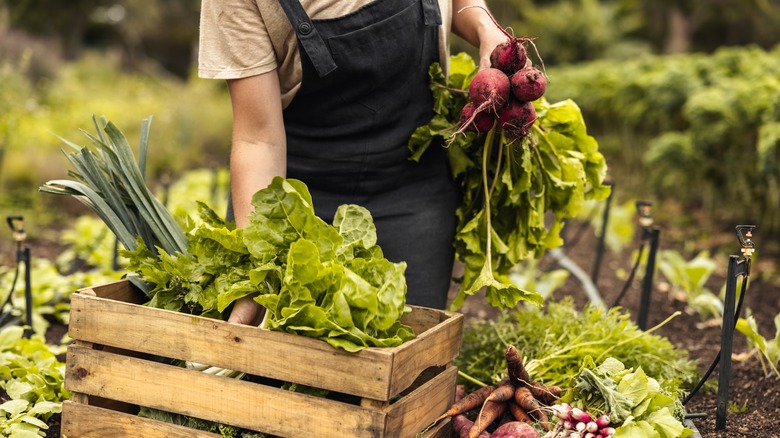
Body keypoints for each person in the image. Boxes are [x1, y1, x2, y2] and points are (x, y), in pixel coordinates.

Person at [198, 0, 507, 325]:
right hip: (297, 208)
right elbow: (257, 139)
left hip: (414, 192)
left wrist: (485, 28)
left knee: (410, 360)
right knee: (280, 366)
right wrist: (257, 262)